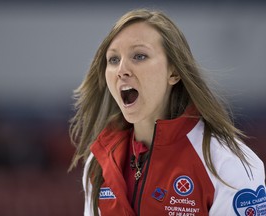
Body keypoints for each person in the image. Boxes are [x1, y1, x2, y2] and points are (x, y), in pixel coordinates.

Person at [69, 9, 266, 216]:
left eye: (139, 56)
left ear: (174, 72)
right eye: (113, 60)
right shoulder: (100, 163)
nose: (122, 70)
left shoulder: (228, 164)